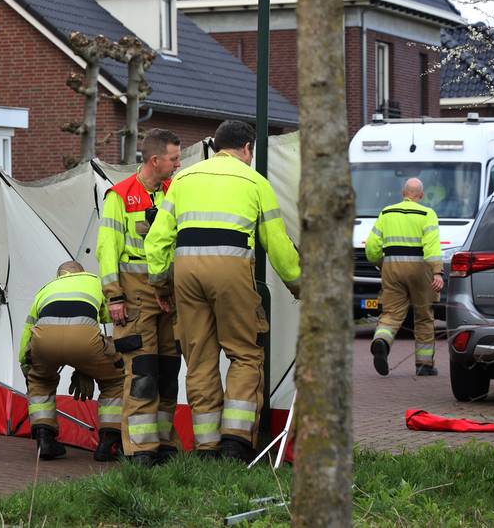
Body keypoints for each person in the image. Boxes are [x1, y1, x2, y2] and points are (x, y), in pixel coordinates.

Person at [145, 120, 301, 462]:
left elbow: (157, 240)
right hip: (231, 269)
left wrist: (160, 283)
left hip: (186, 272)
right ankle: (235, 441)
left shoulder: (183, 179)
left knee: (199, 359)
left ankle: (206, 446)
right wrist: (298, 283)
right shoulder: (255, 181)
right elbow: (276, 243)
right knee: (244, 353)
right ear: (246, 148)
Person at [95, 128, 183, 466]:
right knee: (142, 370)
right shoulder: (119, 196)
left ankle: (164, 444)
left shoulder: (172, 192)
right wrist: (113, 297)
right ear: (155, 160)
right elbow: (107, 252)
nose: (178, 165)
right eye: (174, 159)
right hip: (133, 295)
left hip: (167, 293)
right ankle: (141, 450)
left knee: (167, 370)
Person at [19, 261, 126, 462]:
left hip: (43, 340)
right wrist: (86, 368)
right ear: (82, 272)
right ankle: (109, 442)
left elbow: (28, 330)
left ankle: (45, 439)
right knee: (115, 381)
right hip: (85, 339)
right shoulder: (95, 281)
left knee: (40, 382)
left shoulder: (46, 289)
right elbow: (105, 317)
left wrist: (26, 366)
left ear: (59, 276)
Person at [365, 178, 443, 377]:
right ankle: (424, 365)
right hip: (420, 270)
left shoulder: (387, 213)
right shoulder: (428, 214)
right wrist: (437, 271)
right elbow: (432, 246)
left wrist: (381, 263)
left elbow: (372, 246)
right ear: (421, 195)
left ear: (403, 193)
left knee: (390, 313)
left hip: (392, 268)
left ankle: (381, 341)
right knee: (424, 316)